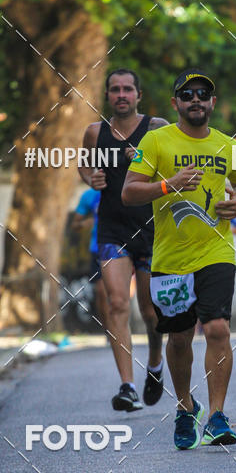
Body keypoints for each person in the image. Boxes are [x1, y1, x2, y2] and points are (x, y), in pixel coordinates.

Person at [122, 69, 236, 449]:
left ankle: (216, 415)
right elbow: (129, 193)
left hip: (216, 251)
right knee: (178, 339)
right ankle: (184, 407)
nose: (196, 99)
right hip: (170, 257)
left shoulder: (226, 144)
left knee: (217, 330)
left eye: (203, 94)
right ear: (175, 103)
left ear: (212, 103)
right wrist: (169, 184)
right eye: (187, 94)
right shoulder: (156, 140)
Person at [79, 69, 168, 411]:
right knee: (117, 303)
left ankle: (156, 361)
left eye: (128, 89)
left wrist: (144, 162)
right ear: (107, 95)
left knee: (150, 310)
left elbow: (169, 168)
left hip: (150, 228)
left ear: (138, 95)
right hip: (112, 228)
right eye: (115, 89)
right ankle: (127, 385)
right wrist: (92, 179)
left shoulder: (156, 128)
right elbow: (84, 167)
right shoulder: (94, 132)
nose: (121, 94)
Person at [72, 187, 108, 334]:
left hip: (121, 248)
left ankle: (120, 327)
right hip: (98, 248)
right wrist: (83, 224)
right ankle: (109, 330)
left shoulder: (123, 187)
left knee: (119, 295)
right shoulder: (90, 195)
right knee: (101, 292)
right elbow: (75, 224)